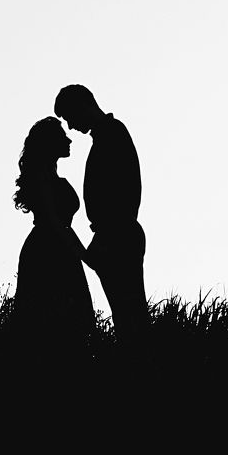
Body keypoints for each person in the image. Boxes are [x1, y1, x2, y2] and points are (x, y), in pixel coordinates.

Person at [54, 83, 148, 336]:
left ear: (83, 105)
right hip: (114, 235)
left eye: (70, 117)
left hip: (118, 236)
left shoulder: (113, 134)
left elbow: (126, 189)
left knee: (130, 316)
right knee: (126, 316)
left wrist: (109, 236)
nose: (70, 126)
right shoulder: (108, 135)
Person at [11, 116, 96, 343]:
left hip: (59, 248)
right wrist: (86, 257)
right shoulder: (43, 179)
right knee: (51, 322)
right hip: (47, 251)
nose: (69, 140)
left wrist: (84, 256)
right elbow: (55, 223)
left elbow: (61, 225)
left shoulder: (49, 177)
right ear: (50, 143)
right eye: (62, 136)